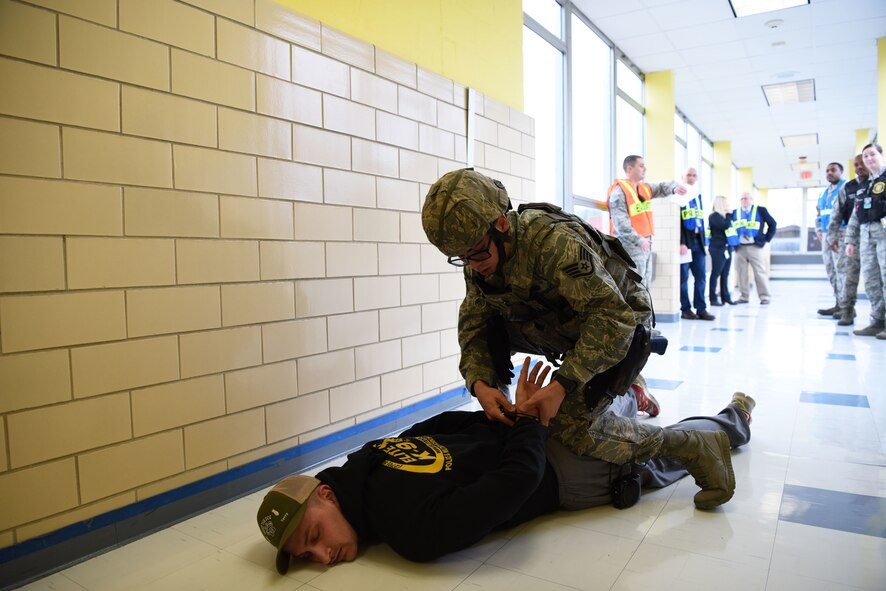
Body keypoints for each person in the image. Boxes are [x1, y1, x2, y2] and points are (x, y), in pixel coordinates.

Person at [419, 168, 732, 509]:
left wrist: (562, 386)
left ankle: (694, 445)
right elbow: (474, 324)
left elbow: (613, 318)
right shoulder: (479, 256)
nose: (472, 265)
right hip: (563, 325)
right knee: (489, 324)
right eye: (462, 257)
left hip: (622, 325)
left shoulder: (553, 243)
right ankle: (625, 388)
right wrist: (481, 384)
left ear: (502, 225)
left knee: (568, 426)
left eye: (476, 252)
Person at [257, 358, 755, 572]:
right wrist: (518, 418)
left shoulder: (409, 531)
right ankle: (645, 397)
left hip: (567, 469)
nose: (322, 557)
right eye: (308, 556)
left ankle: (729, 420)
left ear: (325, 495)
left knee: (674, 452)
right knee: (648, 434)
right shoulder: (368, 459)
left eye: (315, 538)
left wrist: (523, 420)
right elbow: (453, 430)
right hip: (539, 440)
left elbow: (518, 477)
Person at [608, 155, 687, 287]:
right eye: (641, 166)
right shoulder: (619, 192)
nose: (645, 168)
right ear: (629, 168)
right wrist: (639, 240)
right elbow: (620, 224)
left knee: (645, 284)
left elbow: (662, 186)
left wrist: (675, 188)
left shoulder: (643, 188)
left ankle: (644, 308)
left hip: (645, 244)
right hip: (630, 246)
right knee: (633, 285)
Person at [846, 143, 886, 338]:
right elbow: (855, 215)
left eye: (872, 155)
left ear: (881, 155)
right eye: (865, 156)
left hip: (884, 234)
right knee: (871, 280)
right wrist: (850, 241)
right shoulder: (864, 185)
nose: (869, 159)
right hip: (866, 235)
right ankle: (877, 321)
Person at [826, 155, 866, 325]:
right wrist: (832, 236)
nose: (859, 167)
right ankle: (847, 310)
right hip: (851, 237)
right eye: (856, 165)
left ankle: (880, 318)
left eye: (862, 163)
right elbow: (836, 214)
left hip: (877, 235)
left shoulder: (880, 183)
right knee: (848, 275)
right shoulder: (849, 188)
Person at [678, 167, 714, 320]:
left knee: (701, 277)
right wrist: (680, 242)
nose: (691, 178)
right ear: (683, 177)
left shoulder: (698, 197)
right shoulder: (679, 196)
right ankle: (686, 309)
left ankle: (701, 308)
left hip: (699, 243)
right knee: (683, 279)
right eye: (688, 175)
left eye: (694, 175)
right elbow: (676, 221)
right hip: (686, 243)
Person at [732, 192, 777, 304]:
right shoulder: (735, 213)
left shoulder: (760, 210)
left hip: (755, 246)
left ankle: (764, 297)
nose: (744, 201)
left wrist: (766, 239)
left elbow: (772, 224)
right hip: (740, 247)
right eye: (742, 199)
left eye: (746, 198)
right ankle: (744, 296)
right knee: (741, 272)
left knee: (759, 272)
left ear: (751, 200)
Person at [815, 162, 846, 317]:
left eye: (833, 170)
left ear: (841, 171)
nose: (829, 173)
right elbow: (819, 213)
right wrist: (818, 229)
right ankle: (838, 304)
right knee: (831, 270)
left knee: (842, 271)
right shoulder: (823, 193)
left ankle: (847, 308)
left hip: (841, 235)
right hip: (826, 236)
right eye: (827, 170)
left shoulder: (846, 188)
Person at [707, 195, 738, 306]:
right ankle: (713, 299)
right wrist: (729, 215)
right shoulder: (714, 216)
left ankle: (726, 297)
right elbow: (725, 226)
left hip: (727, 248)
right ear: (720, 204)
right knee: (716, 273)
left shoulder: (724, 217)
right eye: (725, 203)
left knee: (725, 273)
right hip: (717, 248)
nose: (728, 205)